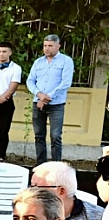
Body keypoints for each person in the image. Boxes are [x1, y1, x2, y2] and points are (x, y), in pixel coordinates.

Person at [32, 161, 103, 220]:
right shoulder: (29, 215)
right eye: (31, 187)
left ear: (61, 191)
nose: (31, 193)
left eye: (37, 188)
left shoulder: (97, 218)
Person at [27, 34, 74, 165]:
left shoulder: (66, 61)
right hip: (38, 103)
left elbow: (65, 83)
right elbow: (30, 81)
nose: (47, 49)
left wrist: (46, 98)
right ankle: (41, 164)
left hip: (56, 105)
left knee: (55, 136)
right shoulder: (38, 62)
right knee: (39, 136)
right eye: (45, 46)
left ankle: (56, 166)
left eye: (50, 46)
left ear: (58, 46)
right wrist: (39, 94)